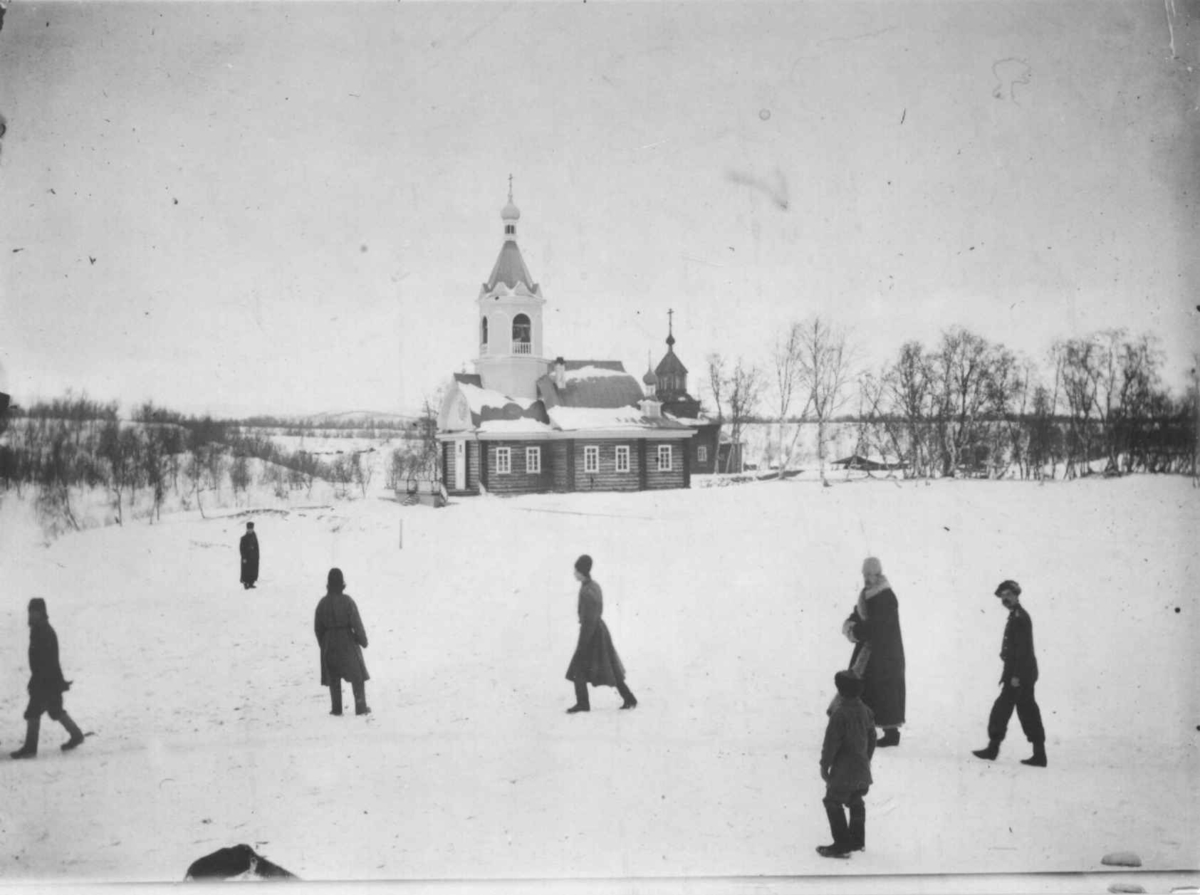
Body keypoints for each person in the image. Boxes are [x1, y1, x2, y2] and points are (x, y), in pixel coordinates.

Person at [972, 579, 1046, 767]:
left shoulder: (1020, 617)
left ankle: (993, 749)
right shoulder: (1016, 615)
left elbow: (1023, 650)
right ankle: (1038, 754)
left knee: (1005, 710)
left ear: (1016, 595)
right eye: (1002, 596)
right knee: (1024, 711)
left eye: (1008, 595)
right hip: (1020, 673)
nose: (1005, 599)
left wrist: (1016, 676)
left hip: (1020, 675)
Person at [10, 598, 86, 759]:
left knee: (33, 712)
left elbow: (48, 660)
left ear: (42, 613)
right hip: (48, 680)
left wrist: (40, 681)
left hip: (46, 681)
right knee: (55, 710)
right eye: (30, 611)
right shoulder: (39, 629)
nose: (31, 614)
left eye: (35, 612)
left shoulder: (43, 631)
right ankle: (77, 735)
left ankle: (30, 748)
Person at [842, 556, 906, 746]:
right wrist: (850, 624)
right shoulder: (866, 593)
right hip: (870, 650)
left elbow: (877, 626)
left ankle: (891, 734)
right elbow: (859, 614)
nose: (866, 577)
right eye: (864, 574)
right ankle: (864, 730)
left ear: (878, 574)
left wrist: (857, 630)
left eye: (870, 574)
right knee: (866, 689)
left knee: (884, 691)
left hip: (885, 653)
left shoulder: (886, 596)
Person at [564, 554, 637, 713]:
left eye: (576, 570)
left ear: (581, 572)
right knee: (610, 668)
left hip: (592, 634)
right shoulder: (593, 586)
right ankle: (629, 698)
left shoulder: (587, 591)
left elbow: (589, 619)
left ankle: (583, 704)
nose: (574, 573)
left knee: (579, 668)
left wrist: (583, 644)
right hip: (600, 633)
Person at [817, 670, 877, 858]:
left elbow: (830, 743)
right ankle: (857, 840)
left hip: (844, 771)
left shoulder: (839, 714)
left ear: (840, 690)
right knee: (855, 800)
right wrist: (866, 758)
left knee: (832, 801)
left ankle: (842, 845)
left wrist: (824, 765)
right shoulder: (867, 711)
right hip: (862, 770)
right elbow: (873, 737)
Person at [314, 568, 370, 716]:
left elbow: (317, 628)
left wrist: (324, 644)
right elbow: (356, 623)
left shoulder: (322, 604)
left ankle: (336, 708)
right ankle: (360, 707)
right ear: (341, 584)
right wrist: (362, 641)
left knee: (334, 679)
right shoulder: (347, 601)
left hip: (329, 646)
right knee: (357, 675)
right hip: (347, 644)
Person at [239, 522, 259, 590]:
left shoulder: (254, 536)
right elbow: (241, 549)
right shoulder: (243, 538)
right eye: (249, 529)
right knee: (246, 571)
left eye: (251, 529)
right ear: (247, 529)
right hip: (246, 557)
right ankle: (246, 583)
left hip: (253, 557)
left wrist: (257, 556)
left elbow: (257, 547)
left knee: (253, 570)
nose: (250, 530)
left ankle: (251, 583)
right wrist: (244, 557)